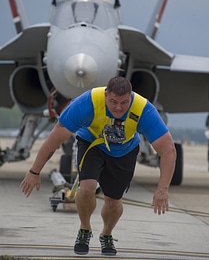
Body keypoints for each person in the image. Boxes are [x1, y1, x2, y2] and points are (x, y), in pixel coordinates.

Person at [20, 76, 176, 256]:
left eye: (124, 102)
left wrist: (162, 189)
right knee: (87, 188)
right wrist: (34, 171)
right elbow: (55, 139)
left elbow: (168, 150)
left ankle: (106, 234)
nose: (118, 108)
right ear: (105, 95)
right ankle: (84, 228)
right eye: (113, 102)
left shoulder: (143, 109)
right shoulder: (87, 103)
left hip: (124, 150)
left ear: (131, 98)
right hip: (92, 144)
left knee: (113, 200)